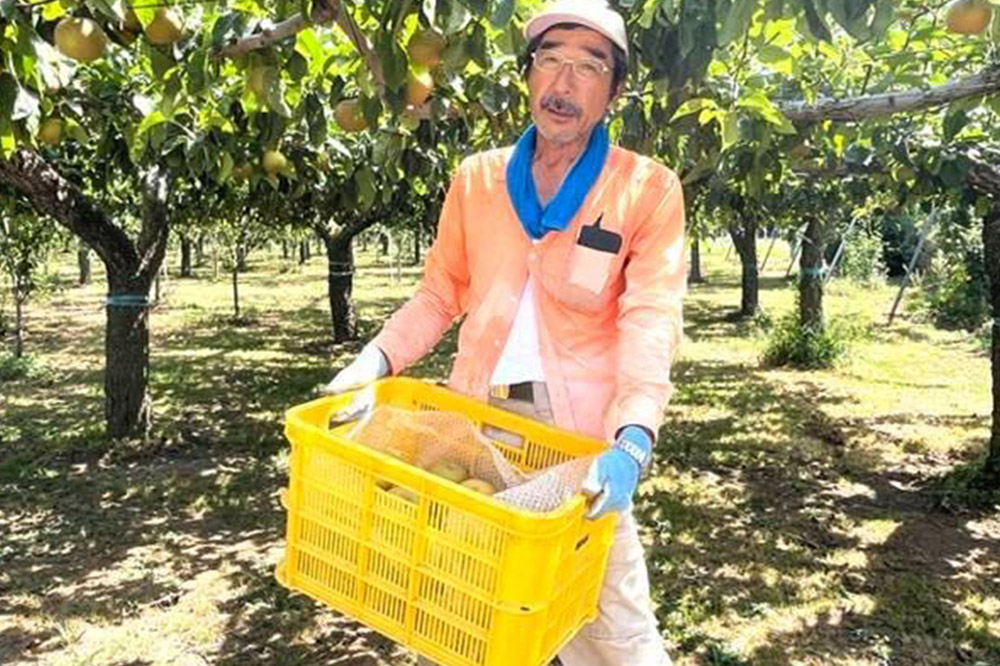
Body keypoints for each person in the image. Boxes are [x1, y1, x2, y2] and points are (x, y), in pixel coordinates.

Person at [323, 1, 685, 664]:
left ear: (614, 90)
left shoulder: (646, 189)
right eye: (550, 60)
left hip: (575, 439)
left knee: (610, 623)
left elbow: (650, 317)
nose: (564, 82)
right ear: (526, 76)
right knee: (458, 604)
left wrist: (633, 438)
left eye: (587, 66)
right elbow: (439, 295)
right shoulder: (478, 180)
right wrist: (374, 360)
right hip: (477, 416)